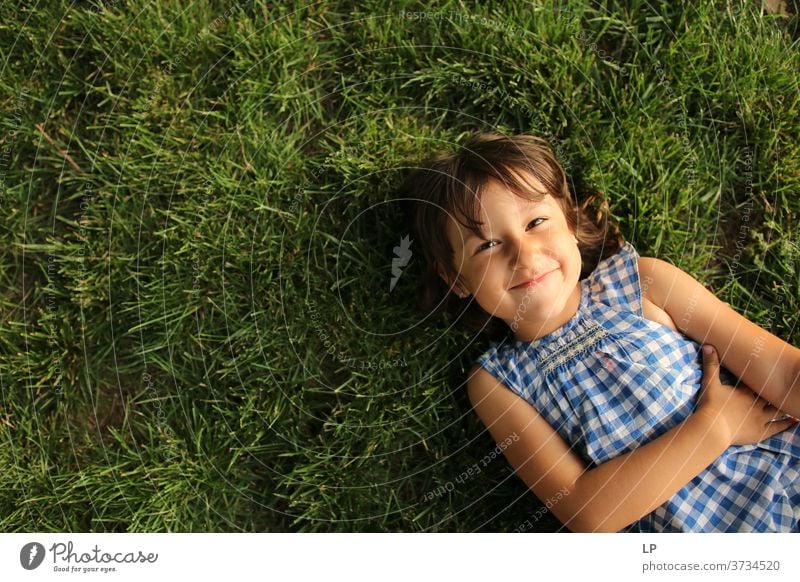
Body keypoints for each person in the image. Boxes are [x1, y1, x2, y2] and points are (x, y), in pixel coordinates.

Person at [406, 131, 800, 532]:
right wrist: (714, 428)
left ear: (571, 222)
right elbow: (586, 513)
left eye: (536, 222)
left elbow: (784, 372)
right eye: (487, 245)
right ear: (456, 279)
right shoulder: (498, 385)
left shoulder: (645, 285)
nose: (523, 254)